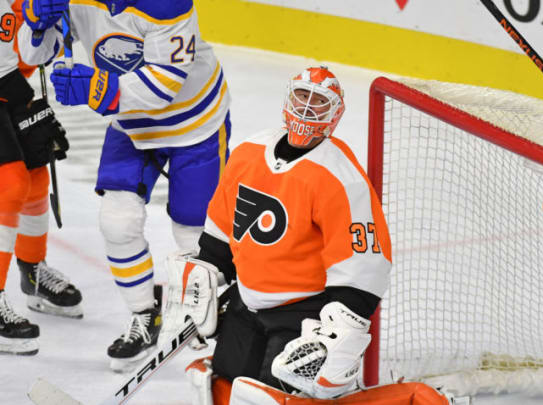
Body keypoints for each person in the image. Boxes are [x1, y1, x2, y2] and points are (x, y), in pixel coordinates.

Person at [16, 0, 232, 370]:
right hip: (131, 125)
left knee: (193, 233)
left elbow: (165, 84)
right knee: (117, 222)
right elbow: (37, 53)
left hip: (196, 123)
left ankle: (209, 319)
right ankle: (145, 317)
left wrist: (97, 87)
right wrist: (37, 24)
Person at [161, 66, 396, 405]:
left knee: (268, 399)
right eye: (302, 96)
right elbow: (222, 229)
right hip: (247, 301)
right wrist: (206, 275)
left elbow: (364, 264)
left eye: (319, 102)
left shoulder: (341, 178)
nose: (307, 107)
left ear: (335, 115)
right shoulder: (248, 153)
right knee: (218, 387)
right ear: (288, 98)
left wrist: (338, 332)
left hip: (303, 314)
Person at [0, 0, 78, 356]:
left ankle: (32, 272)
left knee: (35, 178)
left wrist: (44, 28)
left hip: (8, 80)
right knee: (9, 184)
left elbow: (29, 48)